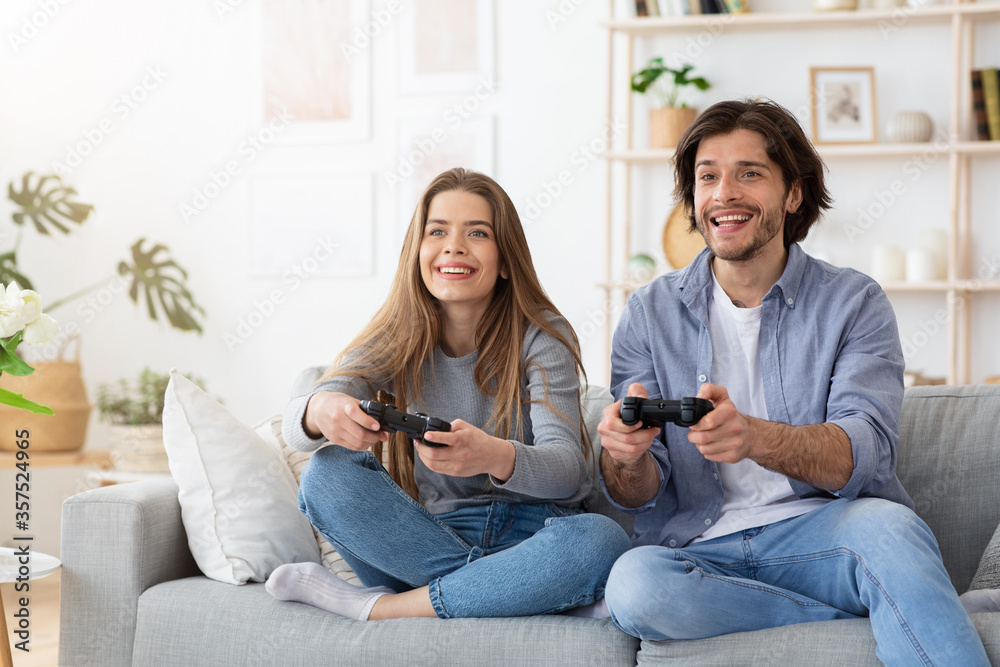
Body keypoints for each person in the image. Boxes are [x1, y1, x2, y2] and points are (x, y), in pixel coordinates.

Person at [597, 99, 989, 664]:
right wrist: (625, 455)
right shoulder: (649, 312)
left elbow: (865, 454)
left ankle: (893, 601)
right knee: (634, 584)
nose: (724, 193)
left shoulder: (854, 303)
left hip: (830, 535)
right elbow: (636, 491)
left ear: (794, 193)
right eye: (707, 177)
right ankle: (875, 615)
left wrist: (754, 438)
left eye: (749, 174)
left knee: (890, 533)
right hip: (703, 552)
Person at [267, 167, 631, 621]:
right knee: (326, 473)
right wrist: (320, 409)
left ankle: (384, 608)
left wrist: (493, 456)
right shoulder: (397, 335)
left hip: (534, 536)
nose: (454, 245)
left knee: (601, 540)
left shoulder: (542, 336)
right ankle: (514, 593)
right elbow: (298, 425)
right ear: (417, 252)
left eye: (477, 233)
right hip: (428, 545)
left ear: (504, 261)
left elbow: (569, 472)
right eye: (437, 231)